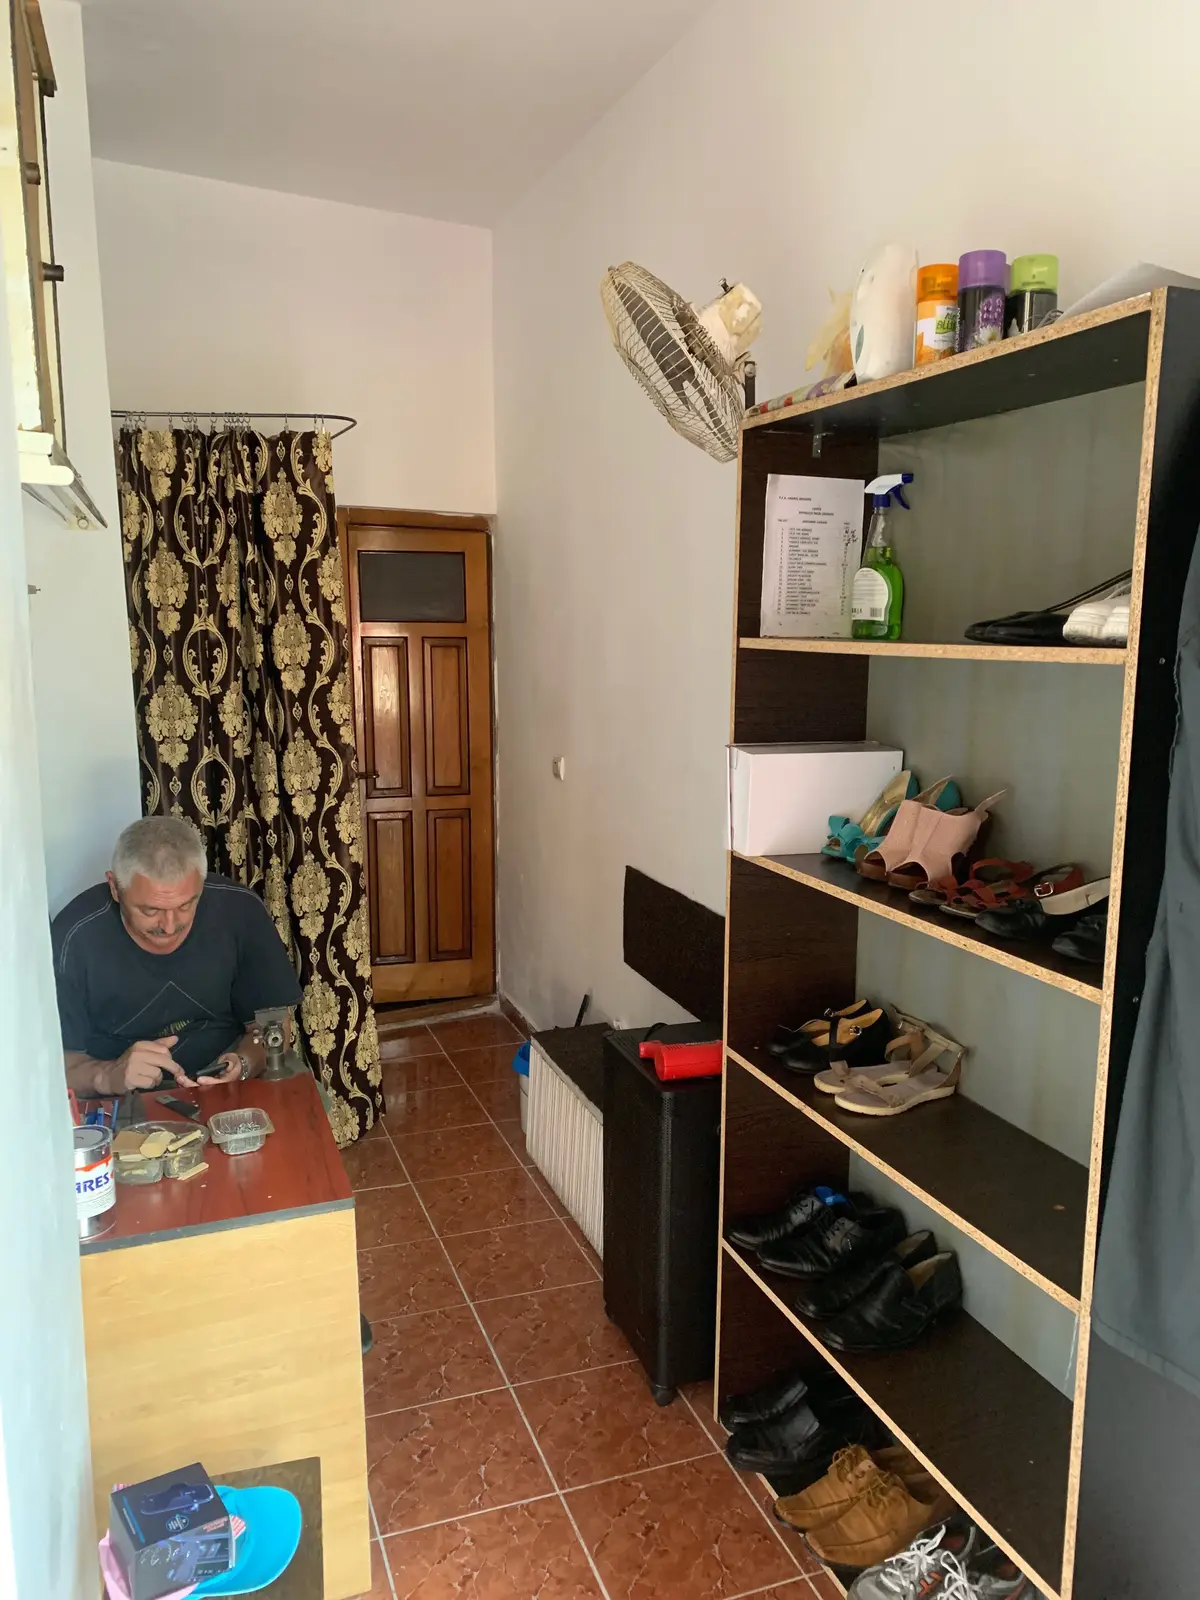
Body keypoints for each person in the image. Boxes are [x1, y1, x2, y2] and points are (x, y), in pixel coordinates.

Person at [52, 815, 302, 1097]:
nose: (170, 927)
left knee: (304, 1111)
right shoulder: (74, 938)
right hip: (121, 1089)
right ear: (115, 888)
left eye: (186, 905)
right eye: (150, 910)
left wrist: (243, 1064)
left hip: (229, 1071)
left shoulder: (239, 911)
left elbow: (273, 1025)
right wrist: (109, 1076)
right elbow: (56, 1063)